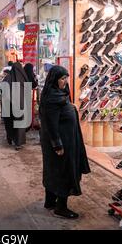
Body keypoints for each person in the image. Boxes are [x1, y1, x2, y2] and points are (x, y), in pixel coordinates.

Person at [39, 65, 90, 219]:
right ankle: (61, 207)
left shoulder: (58, 94)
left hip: (65, 140)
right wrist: (57, 144)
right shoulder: (52, 99)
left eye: (66, 78)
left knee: (53, 170)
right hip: (61, 143)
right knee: (63, 172)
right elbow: (51, 124)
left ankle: (49, 202)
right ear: (55, 80)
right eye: (62, 78)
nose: (65, 81)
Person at [2, 62, 30, 150]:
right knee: (19, 122)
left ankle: (10, 138)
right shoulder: (23, 77)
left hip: (8, 105)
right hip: (20, 104)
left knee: (9, 122)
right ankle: (18, 142)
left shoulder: (7, 78)